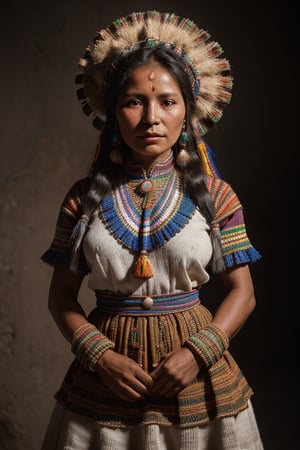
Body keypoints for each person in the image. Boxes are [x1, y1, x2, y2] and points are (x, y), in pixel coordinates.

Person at [40, 10, 264, 450]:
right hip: (104, 384)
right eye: (134, 101)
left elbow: (244, 293)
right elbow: (61, 296)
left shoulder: (216, 196)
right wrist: (100, 355)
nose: (151, 118)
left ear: (188, 112)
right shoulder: (82, 199)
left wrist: (197, 353)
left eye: (167, 101)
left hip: (199, 379)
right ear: (113, 112)